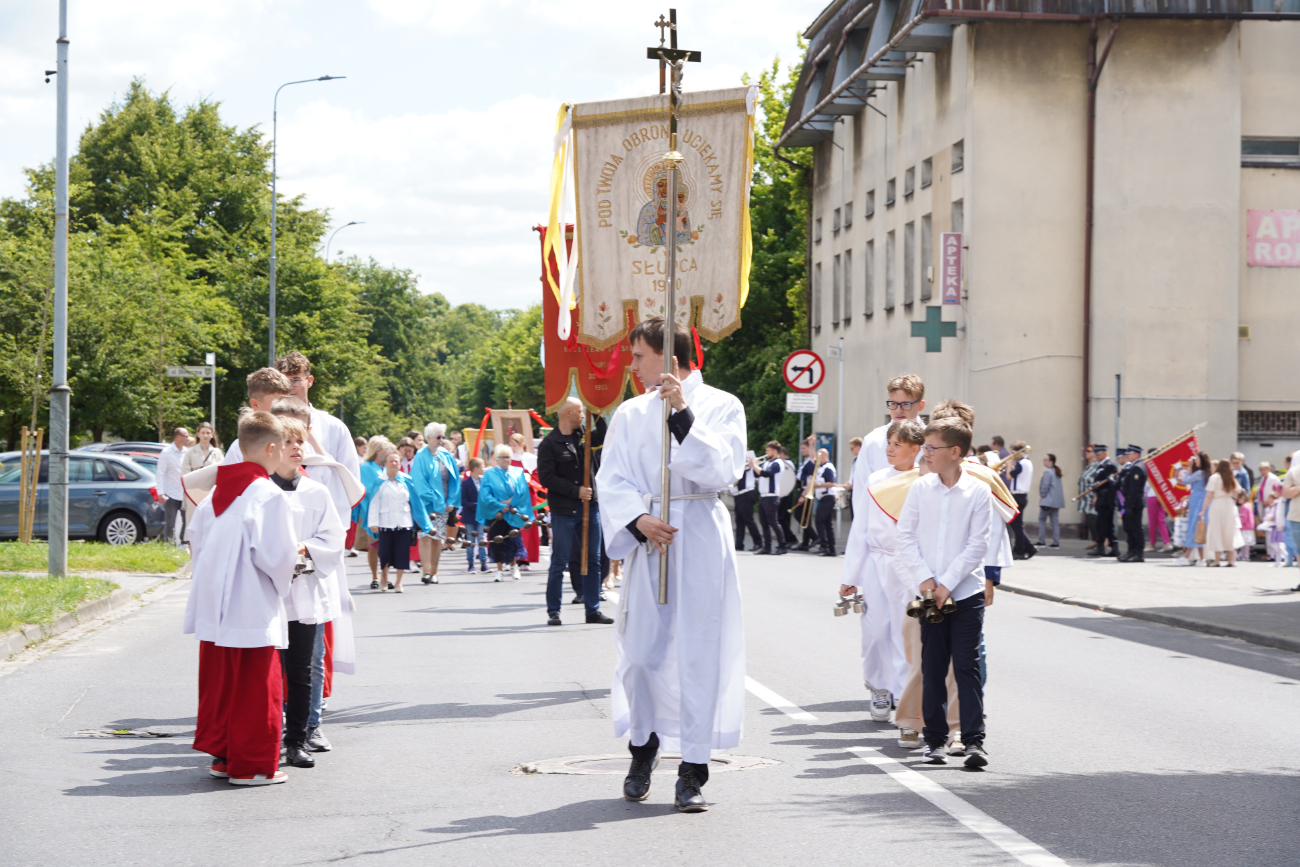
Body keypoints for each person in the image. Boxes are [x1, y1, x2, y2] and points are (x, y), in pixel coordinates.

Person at [596, 316, 746, 814]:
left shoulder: (723, 405)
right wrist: (638, 520)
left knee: (699, 653)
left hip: (699, 533)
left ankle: (693, 771)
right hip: (650, 541)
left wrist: (682, 415)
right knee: (641, 654)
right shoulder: (630, 413)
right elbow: (611, 478)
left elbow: (723, 469)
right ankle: (644, 748)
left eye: (639, 356)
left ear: (670, 360)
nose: (631, 366)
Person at [184, 410, 298, 786]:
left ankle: (224, 756)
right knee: (254, 684)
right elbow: (277, 557)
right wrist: (292, 567)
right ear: (270, 448)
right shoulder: (267, 495)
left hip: (215, 603)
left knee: (223, 681)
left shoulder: (216, 492)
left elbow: (195, 542)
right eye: (283, 447)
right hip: (250, 601)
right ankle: (251, 766)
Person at [893, 417, 993, 769]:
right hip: (928, 591)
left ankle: (973, 740)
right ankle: (934, 741)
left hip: (965, 592)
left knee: (966, 665)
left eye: (932, 448)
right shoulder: (921, 488)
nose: (926, 454)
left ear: (955, 452)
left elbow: (977, 544)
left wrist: (947, 584)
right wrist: (925, 580)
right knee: (932, 666)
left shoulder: (979, 492)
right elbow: (904, 536)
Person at [269, 416, 345, 769]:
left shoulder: (317, 492)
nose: (297, 448)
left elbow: (334, 537)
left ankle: (297, 739)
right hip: (268, 594)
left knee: (300, 669)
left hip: (303, 591)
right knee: (268, 670)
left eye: (300, 441)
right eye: (289, 442)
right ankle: (266, 736)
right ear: (272, 449)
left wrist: (304, 547)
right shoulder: (260, 491)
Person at [839, 420, 923, 726]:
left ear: (916, 449)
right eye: (889, 443)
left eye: (897, 444)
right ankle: (879, 687)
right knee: (875, 629)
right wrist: (851, 575)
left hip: (907, 566)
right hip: (876, 562)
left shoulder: (923, 481)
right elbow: (861, 528)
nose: (889, 449)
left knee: (905, 632)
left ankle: (903, 692)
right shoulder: (876, 479)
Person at [537, 396, 613, 627]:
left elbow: (606, 437)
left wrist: (596, 412)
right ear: (568, 413)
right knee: (559, 562)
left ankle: (593, 610)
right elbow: (547, 477)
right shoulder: (549, 444)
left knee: (593, 561)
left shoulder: (585, 435)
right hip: (564, 511)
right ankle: (554, 611)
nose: (582, 416)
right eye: (580, 412)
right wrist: (575, 491)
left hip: (591, 508)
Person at [368, 450, 431, 592]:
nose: (394, 463)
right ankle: (384, 577)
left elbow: (415, 502)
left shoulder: (406, 480)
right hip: (385, 522)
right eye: (391, 461)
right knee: (384, 553)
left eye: (397, 461)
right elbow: (374, 504)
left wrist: (421, 522)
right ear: (385, 464)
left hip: (404, 522)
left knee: (402, 553)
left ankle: (398, 582)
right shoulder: (380, 481)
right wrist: (373, 522)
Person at [411, 422, 461, 585]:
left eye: (442, 437)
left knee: (437, 538)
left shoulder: (446, 454)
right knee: (425, 536)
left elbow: (454, 479)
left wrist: (451, 502)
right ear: (429, 438)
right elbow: (419, 482)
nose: (441, 440)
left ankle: (434, 571)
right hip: (426, 504)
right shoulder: (421, 455)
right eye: (438, 437)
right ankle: (426, 571)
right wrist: (437, 501)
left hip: (445, 504)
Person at [478, 444, 534, 582]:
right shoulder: (489, 474)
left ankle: (514, 567)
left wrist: (511, 502)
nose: (505, 460)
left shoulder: (518, 471)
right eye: (502, 457)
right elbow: (485, 494)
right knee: (497, 541)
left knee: (513, 540)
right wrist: (499, 505)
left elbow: (522, 491)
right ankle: (499, 571)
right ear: (496, 459)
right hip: (496, 513)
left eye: (508, 457)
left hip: (513, 512)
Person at [357, 437, 394, 588]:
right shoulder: (365, 467)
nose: (390, 451)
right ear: (379, 451)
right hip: (370, 512)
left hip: (387, 512)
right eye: (387, 448)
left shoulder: (387, 467)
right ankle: (375, 577)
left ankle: (385, 577)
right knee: (374, 546)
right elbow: (365, 490)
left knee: (386, 546)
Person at [180, 422, 223, 541]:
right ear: (198, 434)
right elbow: (184, 473)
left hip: (211, 493)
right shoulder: (190, 451)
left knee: (209, 525)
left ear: (212, 434)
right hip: (193, 491)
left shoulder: (217, 453)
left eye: (208, 433)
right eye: (203, 433)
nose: (205, 435)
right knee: (192, 525)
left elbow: (222, 473)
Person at [1200, 459, 1242, 567]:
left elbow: (1209, 495)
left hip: (1217, 504)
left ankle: (1217, 560)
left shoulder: (1214, 477)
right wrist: (1233, 502)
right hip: (1229, 505)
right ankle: (1231, 561)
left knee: (1216, 531)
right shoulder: (1231, 478)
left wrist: (1203, 510)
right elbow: (1236, 492)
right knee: (1229, 531)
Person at [749, 442, 787, 555]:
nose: (766, 453)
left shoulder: (778, 463)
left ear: (775, 451)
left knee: (773, 522)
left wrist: (754, 465)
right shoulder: (767, 463)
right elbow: (758, 475)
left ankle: (782, 545)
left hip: (771, 496)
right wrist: (754, 466)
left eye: (768, 451)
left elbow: (767, 474)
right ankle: (767, 547)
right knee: (764, 523)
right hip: (764, 496)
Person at [509, 432, 541, 569]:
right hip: (512, 496)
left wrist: (530, 480)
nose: (512, 447)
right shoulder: (508, 458)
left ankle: (524, 558)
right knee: (511, 525)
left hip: (527, 497)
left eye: (514, 445)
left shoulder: (531, 459)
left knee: (526, 527)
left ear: (522, 444)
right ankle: (511, 558)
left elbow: (538, 478)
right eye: (510, 445)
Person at [1176, 452, 1211, 566]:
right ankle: (1202, 559)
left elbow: (1185, 480)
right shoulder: (1205, 473)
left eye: (1196, 459)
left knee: (1193, 528)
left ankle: (1186, 557)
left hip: (1197, 502)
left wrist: (1189, 467)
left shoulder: (1200, 473)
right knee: (1199, 530)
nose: (1195, 461)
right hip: (1200, 500)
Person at [157, 426, 190, 545]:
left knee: (187, 520)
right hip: (170, 493)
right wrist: (160, 492)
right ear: (178, 437)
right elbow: (160, 473)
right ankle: (168, 544)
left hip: (184, 493)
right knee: (170, 522)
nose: (188, 438)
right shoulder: (166, 452)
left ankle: (183, 542)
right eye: (186, 436)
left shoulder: (187, 452)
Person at [1087, 445, 1119, 557]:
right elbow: (1098, 480)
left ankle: (1101, 547)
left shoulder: (1110, 466)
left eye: (1098, 453)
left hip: (1107, 499)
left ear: (1105, 452)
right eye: (1095, 453)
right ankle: (1114, 548)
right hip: (1101, 498)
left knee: (1102, 524)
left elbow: (1112, 485)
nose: (1096, 455)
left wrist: (1110, 502)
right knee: (1105, 524)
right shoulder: (1100, 466)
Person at [1117, 445, 1148, 563]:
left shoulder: (1138, 468)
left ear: (1136, 454)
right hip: (1131, 502)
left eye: (1129, 453)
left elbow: (1135, 490)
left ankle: (1138, 553)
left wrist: (1129, 506)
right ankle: (1131, 551)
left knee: (1136, 528)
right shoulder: (1135, 466)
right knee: (1130, 528)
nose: (1127, 455)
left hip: (1134, 503)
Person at [1005, 440, 1035, 560]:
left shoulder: (1021, 463)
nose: (1012, 454)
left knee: (1016, 525)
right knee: (1017, 524)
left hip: (1017, 496)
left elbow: (1009, 476)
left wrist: (1008, 466)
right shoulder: (1027, 462)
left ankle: (1020, 550)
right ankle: (1028, 548)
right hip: (1021, 496)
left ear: (1017, 451)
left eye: (1013, 452)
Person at [460, 458, 489, 573]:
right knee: (470, 541)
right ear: (476, 469)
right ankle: (470, 564)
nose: (484, 469)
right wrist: (475, 505)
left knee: (482, 539)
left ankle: (484, 563)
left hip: (482, 516)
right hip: (470, 516)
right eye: (482, 466)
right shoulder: (466, 483)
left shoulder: (484, 482)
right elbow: (463, 501)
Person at [729, 454, 761, 552]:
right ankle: (739, 544)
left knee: (748, 519)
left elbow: (741, 470)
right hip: (738, 495)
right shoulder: (736, 461)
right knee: (739, 521)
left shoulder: (748, 459)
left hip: (746, 493)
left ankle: (758, 543)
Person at [793, 437, 820, 552]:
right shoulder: (806, 461)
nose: (801, 450)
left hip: (806, 490)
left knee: (799, 515)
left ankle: (815, 537)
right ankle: (805, 543)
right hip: (803, 489)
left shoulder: (811, 461)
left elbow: (813, 458)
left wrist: (811, 444)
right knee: (805, 518)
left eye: (804, 448)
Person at [1258, 462, 1286, 566]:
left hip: (1275, 519)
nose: (1262, 472)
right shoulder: (1262, 479)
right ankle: (1272, 555)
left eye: (1263, 469)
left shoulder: (1273, 479)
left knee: (1277, 542)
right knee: (1272, 540)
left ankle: (1282, 557)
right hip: (1267, 509)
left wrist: (1270, 501)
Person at [811, 448, 838, 556]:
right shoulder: (821, 467)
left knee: (819, 521)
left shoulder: (828, 467)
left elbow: (831, 483)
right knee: (827, 524)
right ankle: (831, 549)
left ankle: (824, 546)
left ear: (823, 456)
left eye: (818, 456)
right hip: (824, 497)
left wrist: (819, 485)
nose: (817, 459)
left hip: (827, 497)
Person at [1144, 448, 1171, 552]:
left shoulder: (1149, 466)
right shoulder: (1163, 465)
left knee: (1152, 521)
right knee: (1161, 520)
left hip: (1152, 495)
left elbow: (1147, 484)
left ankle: (1152, 544)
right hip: (1162, 496)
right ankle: (1167, 542)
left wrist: (1144, 493)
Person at [1036, 453, 1064, 547]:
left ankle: (1041, 541)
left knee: (1041, 519)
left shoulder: (1048, 472)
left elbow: (1045, 486)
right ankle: (1056, 542)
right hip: (1056, 501)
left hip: (1048, 501)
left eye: (1045, 460)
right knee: (1055, 522)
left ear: (1051, 461)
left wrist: (1042, 496)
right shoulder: (1056, 471)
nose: (1044, 461)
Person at [1078, 444, 1100, 549]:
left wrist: (1096, 495)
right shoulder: (1089, 465)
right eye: (1086, 450)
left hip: (1092, 497)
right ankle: (1095, 540)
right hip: (1086, 499)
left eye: (1089, 451)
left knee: (1094, 519)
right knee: (1090, 519)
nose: (1086, 452)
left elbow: (1098, 482)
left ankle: (1100, 541)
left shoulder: (1097, 466)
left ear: (1095, 453)